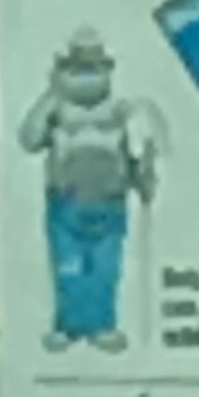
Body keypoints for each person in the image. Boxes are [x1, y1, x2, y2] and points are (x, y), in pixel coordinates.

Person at [17, 29, 158, 350]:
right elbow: (29, 139)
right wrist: (49, 97)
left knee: (105, 268)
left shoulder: (121, 110)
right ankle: (68, 326)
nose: (85, 79)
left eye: (93, 70)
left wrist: (142, 178)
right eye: (77, 71)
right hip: (66, 201)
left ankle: (102, 326)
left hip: (110, 200)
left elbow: (136, 150)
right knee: (69, 266)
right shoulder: (56, 110)